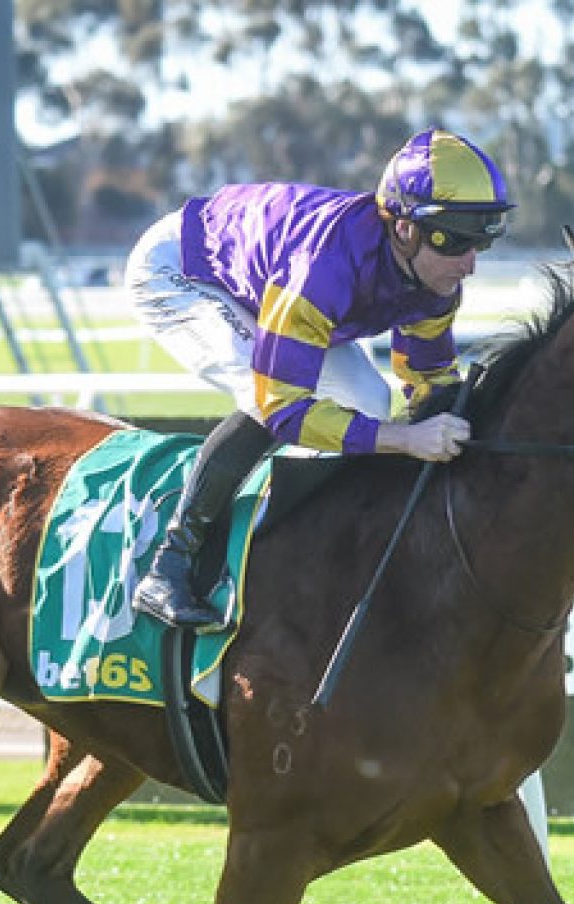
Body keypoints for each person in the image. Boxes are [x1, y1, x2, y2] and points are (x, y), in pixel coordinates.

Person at [123, 127, 514, 628]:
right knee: (263, 396)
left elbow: (429, 383)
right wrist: (403, 438)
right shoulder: (324, 268)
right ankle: (170, 565)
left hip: (263, 274)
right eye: (458, 241)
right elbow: (284, 407)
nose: (471, 264)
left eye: (482, 241)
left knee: (370, 399)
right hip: (182, 271)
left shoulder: (436, 280)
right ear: (404, 229)